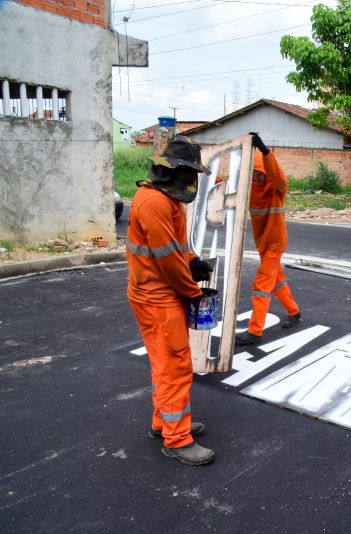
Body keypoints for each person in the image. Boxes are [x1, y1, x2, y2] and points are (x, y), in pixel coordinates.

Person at [127, 135, 216, 465]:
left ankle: (164, 422)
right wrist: (194, 293)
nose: (192, 180)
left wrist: (193, 260)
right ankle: (176, 439)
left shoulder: (168, 201)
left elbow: (176, 248)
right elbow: (166, 260)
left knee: (163, 364)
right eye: (191, 173)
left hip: (159, 293)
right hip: (156, 297)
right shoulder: (154, 204)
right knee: (175, 366)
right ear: (177, 172)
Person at [235, 133, 301, 345]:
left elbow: (278, 175)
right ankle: (294, 312)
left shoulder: (277, 188)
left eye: (260, 173)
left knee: (261, 285)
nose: (257, 177)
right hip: (262, 243)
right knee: (277, 281)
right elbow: (227, 185)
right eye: (254, 173)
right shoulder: (249, 188)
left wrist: (265, 153)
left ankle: (255, 330)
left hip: (275, 243)